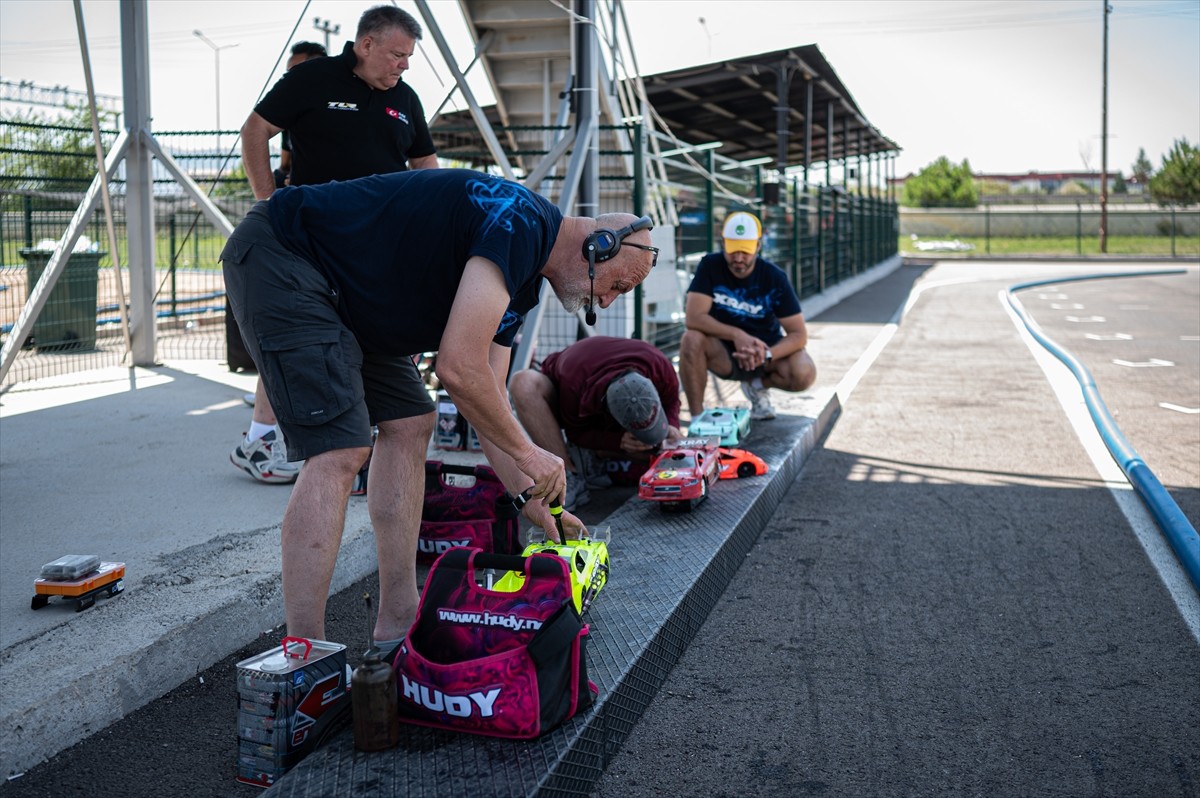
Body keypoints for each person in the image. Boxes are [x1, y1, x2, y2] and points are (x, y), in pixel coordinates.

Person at [220, 168, 657, 646]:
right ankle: (305, 657)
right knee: (340, 450)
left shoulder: (526, 275)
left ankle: (398, 623)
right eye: (619, 285)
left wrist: (531, 497)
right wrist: (532, 456)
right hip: (285, 256)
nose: (610, 302)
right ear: (599, 247)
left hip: (343, 294)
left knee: (412, 420)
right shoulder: (521, 222)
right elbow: (458, 368)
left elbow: (486, 392)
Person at [230, 6, 438, 484]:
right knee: (299, 338)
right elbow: (254, 131)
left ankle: (357, 446)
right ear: (366, 45)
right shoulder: (314, 78)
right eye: (397, 55)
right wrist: (269, 203)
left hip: (377, 249)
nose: (404, 66)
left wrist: (432, 226)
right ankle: (261, 439)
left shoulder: (406, 99)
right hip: (310, 243)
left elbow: (427, 167)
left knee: (369, 339)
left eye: (408, 58)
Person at [509, 336, 684, 511]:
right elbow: (577, 434)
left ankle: (593, 460)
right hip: (570, 396)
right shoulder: (574, 386)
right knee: (523, 383)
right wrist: (617, 441)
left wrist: (672, 426)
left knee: (657, 451)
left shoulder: (660, 365)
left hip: (592, 389)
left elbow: (672, 400)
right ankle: (567, 475)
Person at [678, 211, 817, 421]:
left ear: (758, 246)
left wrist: (767, 354)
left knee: (804, 371)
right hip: (725, 354)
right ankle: (698, 419)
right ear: (723, 242)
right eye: (733, 250)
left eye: (746, 250)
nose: (739, 258)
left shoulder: (774, 277)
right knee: (690, 339)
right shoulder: (710, 266)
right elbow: (694, 318)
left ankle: (757, 386)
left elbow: (799, 335)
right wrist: (736, 334)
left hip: (764, 354)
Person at [274, 41, 328, 189]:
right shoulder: (291, 118)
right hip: (300, 194)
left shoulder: (341, 112)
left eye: (295, 72)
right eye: (288, 73)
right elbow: (284, 166)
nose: (289, 79)